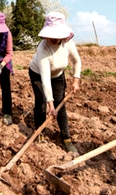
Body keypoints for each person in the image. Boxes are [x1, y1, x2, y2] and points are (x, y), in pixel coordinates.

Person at [28, 12, 81, 157]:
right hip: (38, 75)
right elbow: (45, 79)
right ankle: (39, 132)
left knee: (61, 104)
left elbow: (77, 61)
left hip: (58, 74)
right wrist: (51, 105)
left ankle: (66, 138)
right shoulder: (43, 49)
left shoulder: (68, 43)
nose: (52, 38)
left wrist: (76, 80)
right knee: (41, 101)